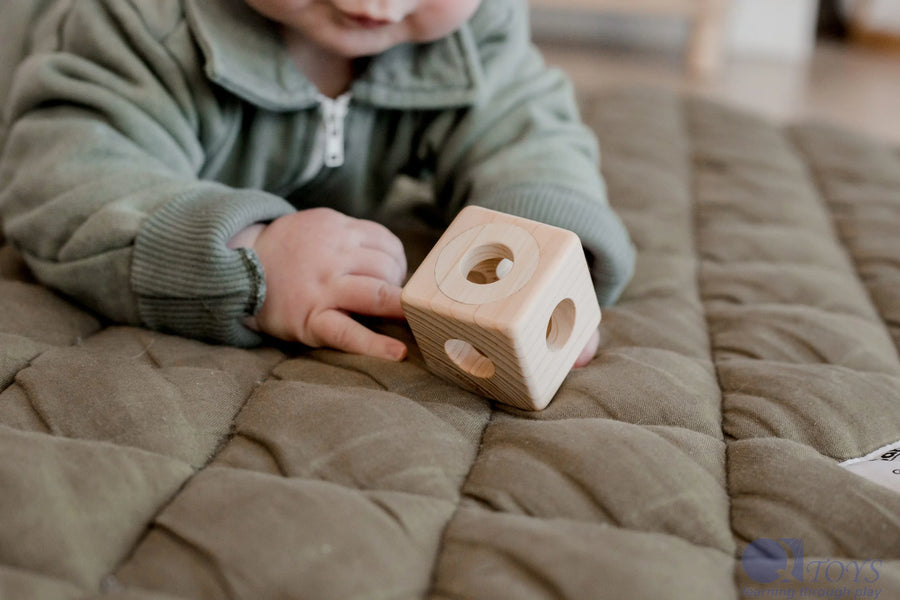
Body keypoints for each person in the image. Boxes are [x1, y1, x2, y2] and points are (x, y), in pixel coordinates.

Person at [0, 0, 634, 366]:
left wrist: (548, 248)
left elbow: (526, 131)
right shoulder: (134, 21)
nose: (381, 2)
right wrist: (250, 252)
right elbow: (60, 179)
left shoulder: (473, 27)